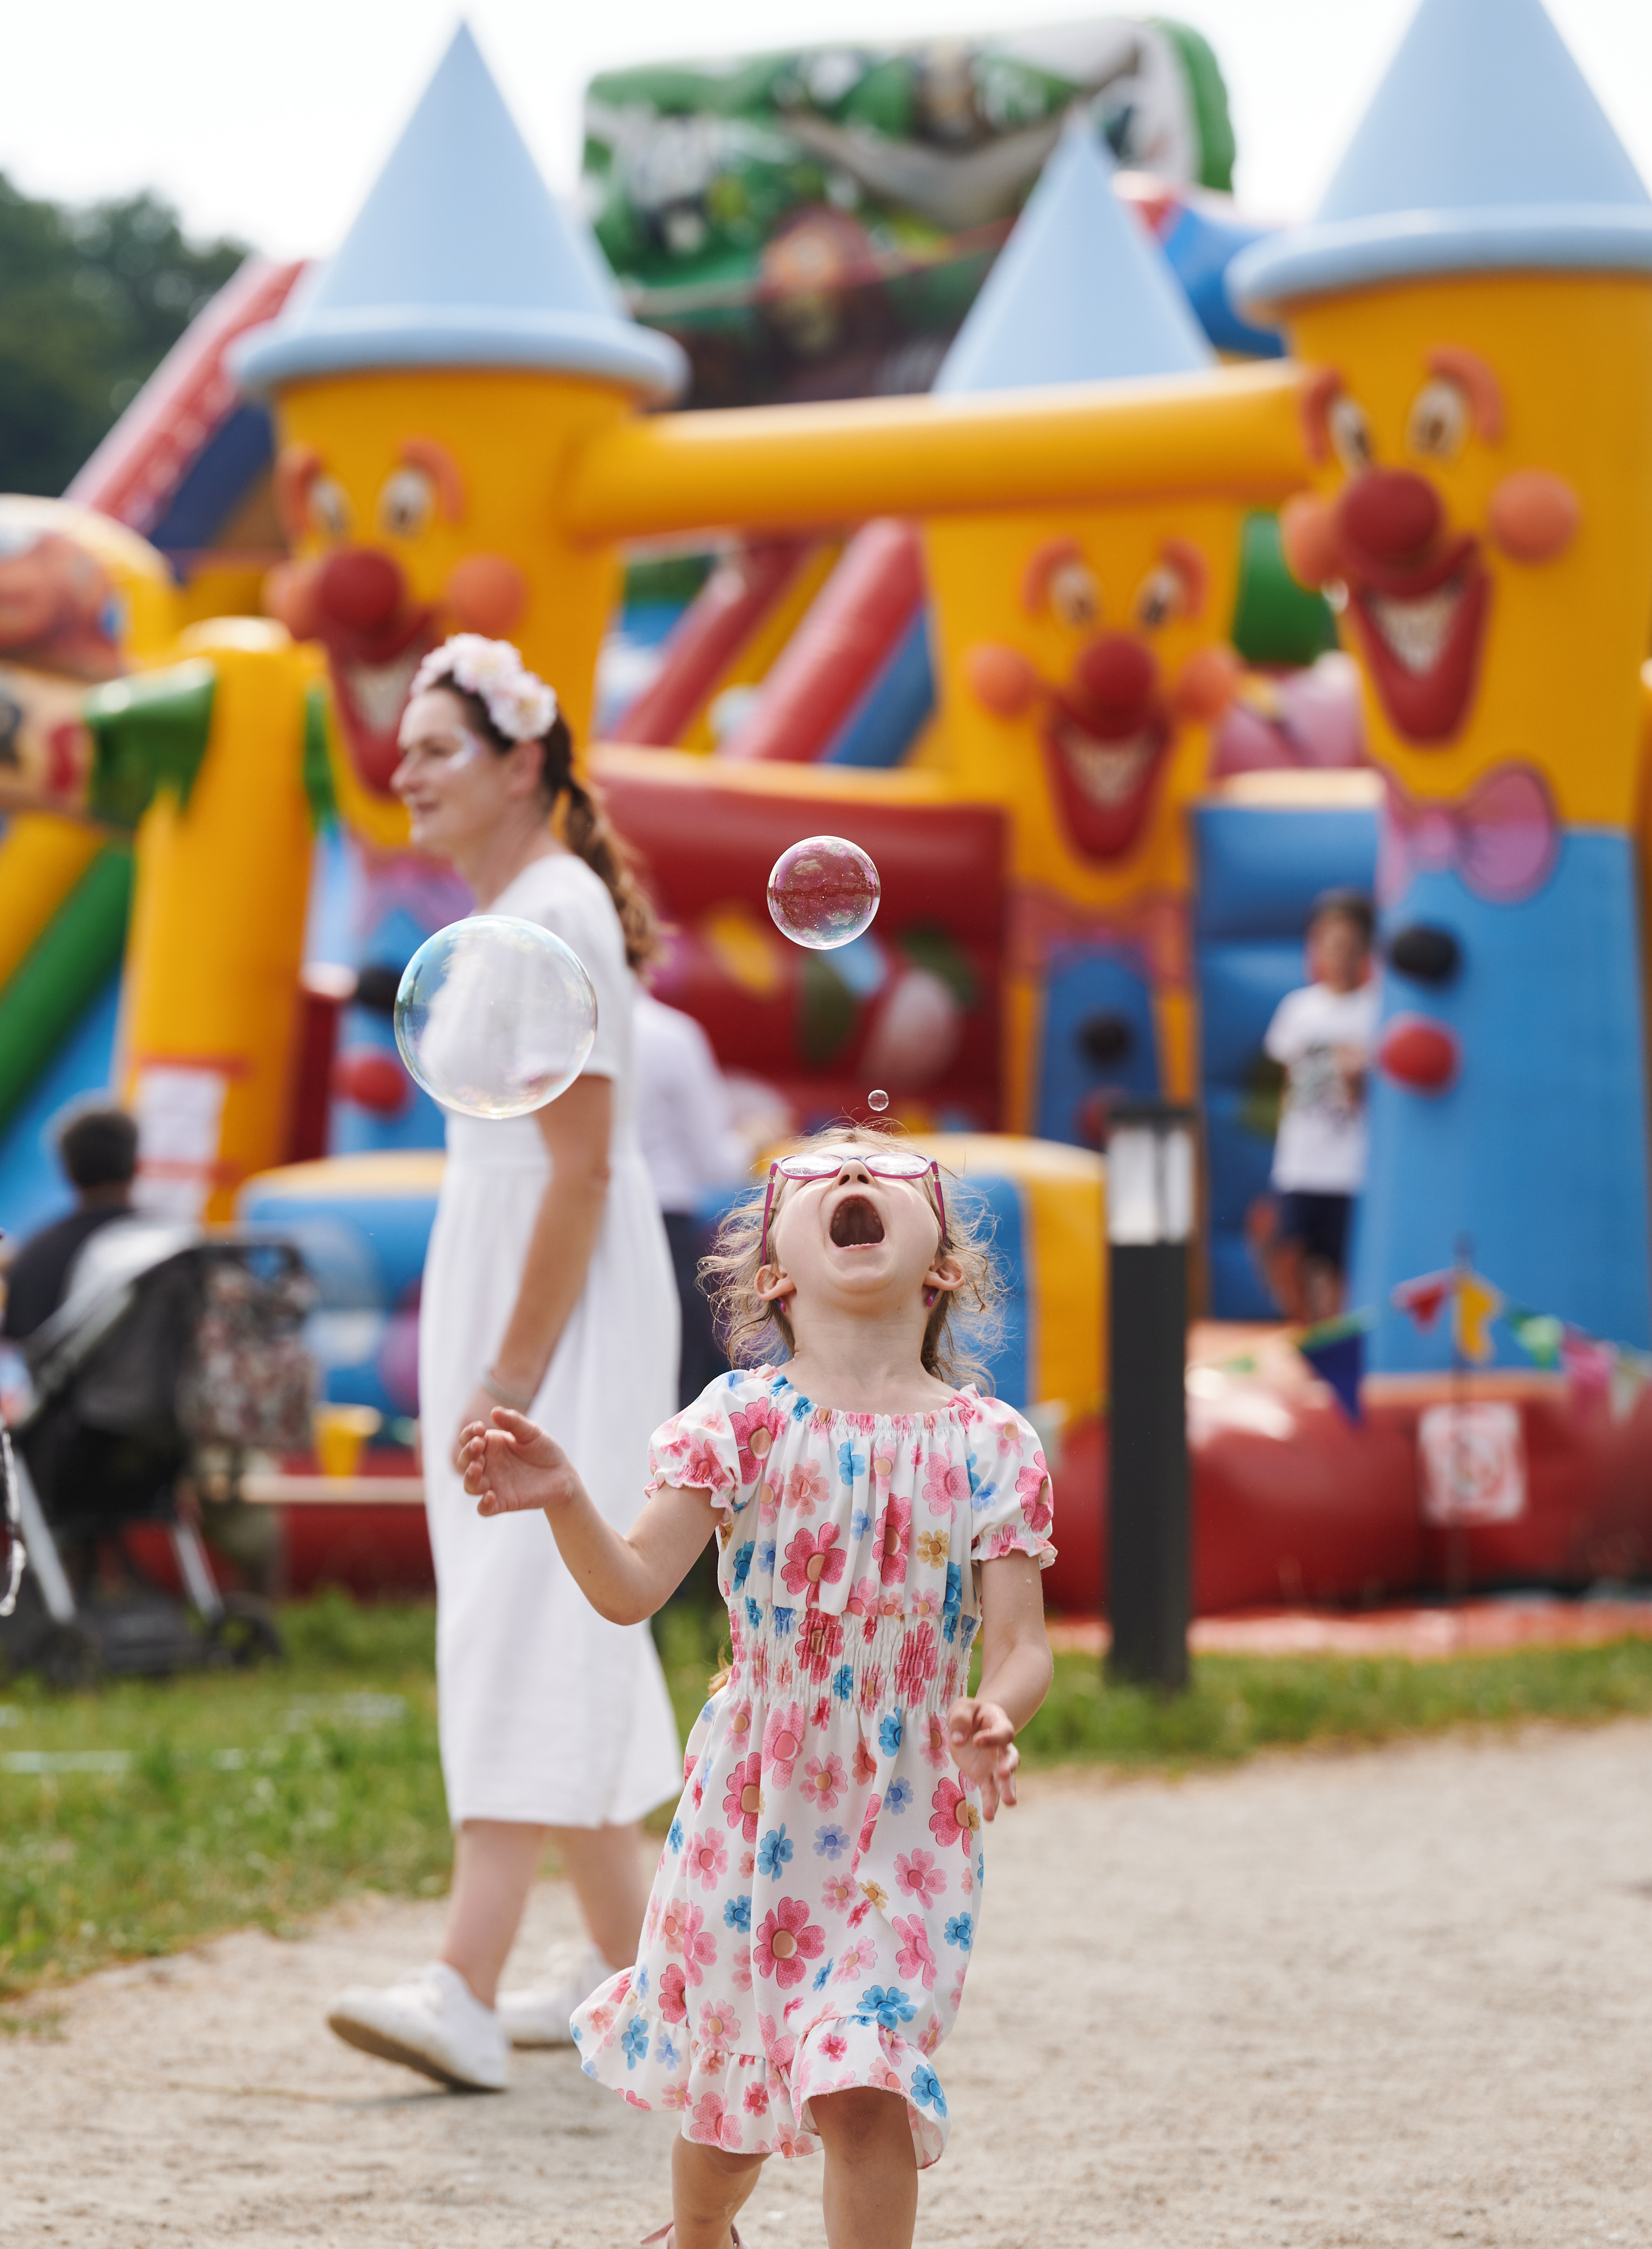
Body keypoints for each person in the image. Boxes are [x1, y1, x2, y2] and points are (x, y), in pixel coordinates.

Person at [462, 1128, 1058, 2249]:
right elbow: (633, 1586)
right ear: (776, 1270)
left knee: (867, 2072)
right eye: (819, 1173)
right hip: (759, 1796)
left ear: (943, 1267)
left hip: (907, 1811)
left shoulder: (993, 1440)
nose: (850, 1176)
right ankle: (698, 2234)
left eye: (884, 1173)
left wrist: (1000, 1706)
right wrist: (566, 1497)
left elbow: (1024, 1642)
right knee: (731, 2088)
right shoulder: (738, 1417)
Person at [323, 634, 681, 2092]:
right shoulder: (528, 907)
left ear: (524, 761)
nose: (404, 767)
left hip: (564, 1297)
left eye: (439, 747)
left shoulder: (561, 913)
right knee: (532, 1609)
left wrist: (512, 1371)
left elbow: (583, 1172)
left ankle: (463, 1982)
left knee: (525, 1608)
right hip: (517, 1272)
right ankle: (650, 1985)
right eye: (402, 747)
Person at [1258, 888, 1381, 1324]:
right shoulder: (1299, 1009)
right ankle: (1303, 1332)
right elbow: (1284, 1083)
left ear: (1365, 949)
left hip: (1350, 1167)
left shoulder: (1376, 1011)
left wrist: (1358, 1080)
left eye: (1348, 946)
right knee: (1290, 1255)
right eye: (1328, 944)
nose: (1337, 956)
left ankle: (1337, 1339)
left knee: (1340, 1264)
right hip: (1302, 1162)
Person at [632, 994, 748, 1410]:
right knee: (679, 1381)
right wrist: (757, 1139)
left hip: (587, 1227)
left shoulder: (564, 1034)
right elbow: (716, 1162)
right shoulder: (671, 1034)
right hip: (667, 1227)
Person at [0, 1103, 140, 1341]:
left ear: (66, 1171)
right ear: (137, 1166)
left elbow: (23, 1345)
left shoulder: (36, 1257)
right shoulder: (177, 1245)